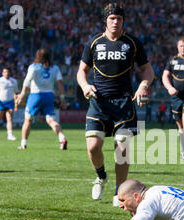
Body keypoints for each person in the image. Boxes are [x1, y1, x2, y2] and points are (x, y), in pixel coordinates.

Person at [76, 3, 154, 206]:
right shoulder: (94, 43)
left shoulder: (132, 43)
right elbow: (81, 71)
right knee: (93, 147)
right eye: (112, 18)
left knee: (122, 149)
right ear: (106, 21)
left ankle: (119, 192)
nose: (115, 22)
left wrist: (143, 86)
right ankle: (101, 176)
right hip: (99, 102)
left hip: (123, 102)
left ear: (123, 21)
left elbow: (148, 70)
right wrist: (85, 86)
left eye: (119, 18)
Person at [15, 48, 68, 150]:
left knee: (28, 120)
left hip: (36, 95)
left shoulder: (33, 67)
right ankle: (62, 138)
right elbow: (60, 84)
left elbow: (27, 81)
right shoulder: (55, 68)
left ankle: (23, 144)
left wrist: (22, 94)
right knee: (51, 120)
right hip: (49, 95)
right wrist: (62, 98)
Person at [0, 67, 19, 141]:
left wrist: (16, 102)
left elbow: (16, 92)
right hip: (1, 102)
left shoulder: (14, 81)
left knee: (9, 119)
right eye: (5, 72)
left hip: (10, 102)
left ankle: (10, 135)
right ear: (2, 73)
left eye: (8, 72)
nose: (7, 73)